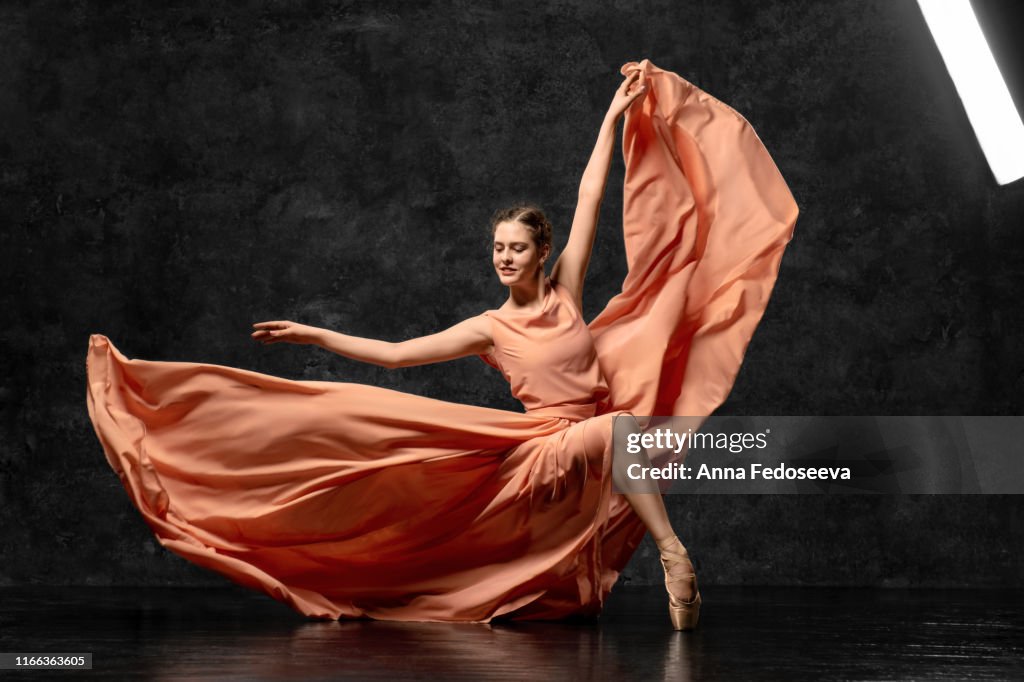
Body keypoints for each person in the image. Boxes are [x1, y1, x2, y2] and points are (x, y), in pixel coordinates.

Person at [87, 59, 798, 631]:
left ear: (542, 251)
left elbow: (589, 198)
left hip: (596, 445)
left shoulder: (568, 292)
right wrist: (315, 333)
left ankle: (633, 577)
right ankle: (674, 554)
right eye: (498, 250)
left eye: (518, 249)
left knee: (615, 458)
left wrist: (613, 119)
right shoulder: (489, 327)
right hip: (545, 451)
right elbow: (396, 356)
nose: (505, 260)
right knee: (620, 432)